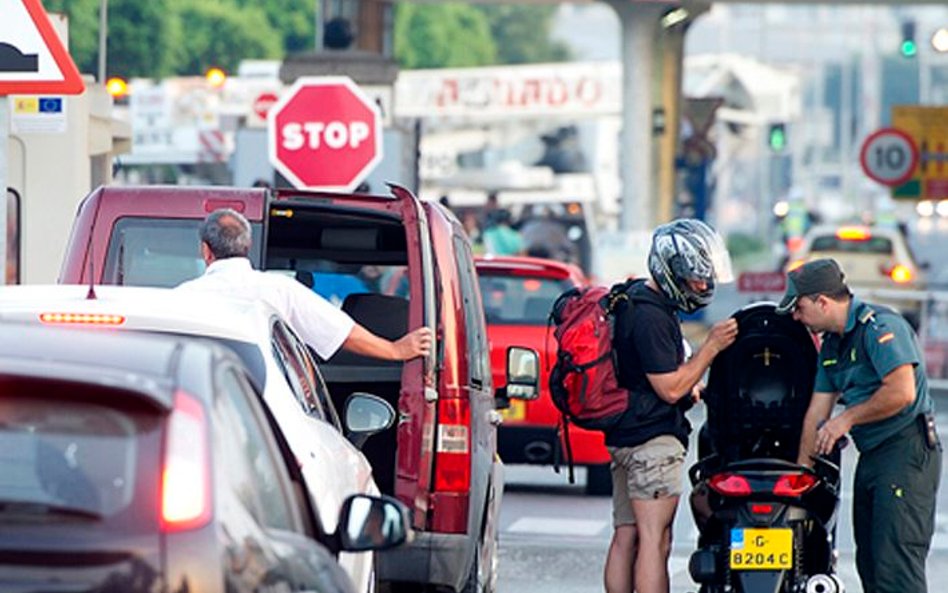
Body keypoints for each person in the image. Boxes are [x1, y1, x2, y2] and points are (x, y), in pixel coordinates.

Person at [778, 258, 941, 593]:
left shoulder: (879, 327)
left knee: (896, 566)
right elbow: (817, 413)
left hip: (904, 451)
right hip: (873, 455)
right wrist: (799, 476)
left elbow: (901, 392)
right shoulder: (833, 346)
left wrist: (846, 420)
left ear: (822, 301)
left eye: (799, 307)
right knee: (870, 563)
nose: (796, 316)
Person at [605, 219, 739, 593]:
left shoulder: (633, 300)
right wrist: (711, 348)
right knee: (654, 540)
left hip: (626, 434)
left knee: (627, 537)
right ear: (671, 272)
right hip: (652, 442)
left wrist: (688, 386)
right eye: (696, 279)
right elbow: (668, 388)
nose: (703, 286)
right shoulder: (651, 316)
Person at [177, 208, 432, 362]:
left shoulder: (181, 299)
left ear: (205, 251)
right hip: (269, 412)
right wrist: (395, 350)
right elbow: (341, 332)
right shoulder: (280, 290)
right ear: (247, 247)